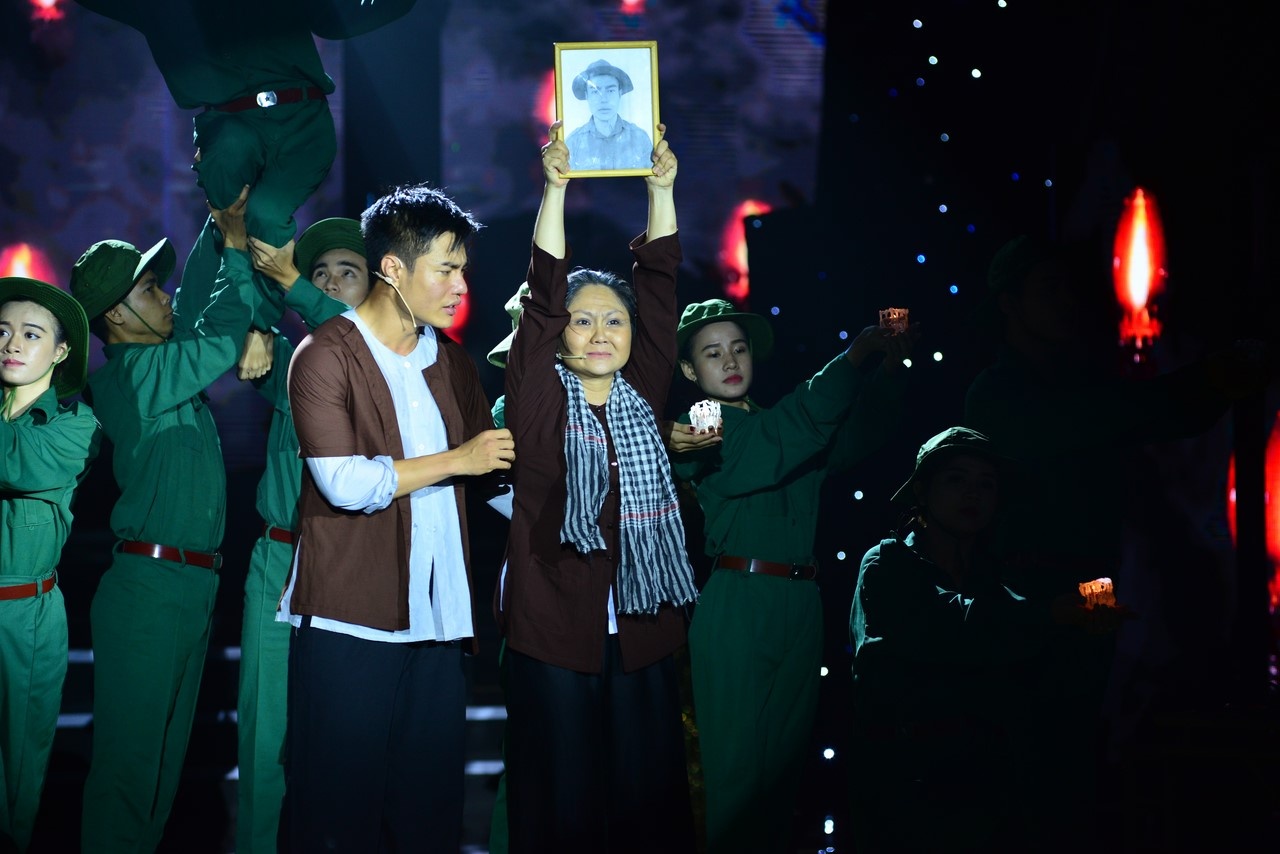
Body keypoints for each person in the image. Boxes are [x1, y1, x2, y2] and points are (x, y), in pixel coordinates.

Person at [961, 233, 1272, 848]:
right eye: (1048, 288)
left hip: (1092, 582)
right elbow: (1114, 415)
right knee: (1036, 760)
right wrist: (1210, 382)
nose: (1065, 300)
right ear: (1009, 302)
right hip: (1025, 593)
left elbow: (1124, 418)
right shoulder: (1000, 396)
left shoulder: (1074, 382)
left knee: (1080, 740)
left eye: (1068, 288)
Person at [277, 182, 513, 852]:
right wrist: (459, 459)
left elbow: (491, 477)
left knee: (427, 818)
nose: (461, 285)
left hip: (438, 621)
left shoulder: (452, 361)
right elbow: (346, 483)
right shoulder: (325, 354)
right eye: (446, 268)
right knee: (334, 819)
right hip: (350, 620)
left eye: (462, 269)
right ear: (392, 268)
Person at [498, 120, 697, 853]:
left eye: (615, 320)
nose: (601, 332)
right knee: (563, 809)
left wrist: (661, 191)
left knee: (648, 809)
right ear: (560, 336)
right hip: (554, 632)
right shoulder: (536, 399)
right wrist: (554, 189)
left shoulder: (644, 392)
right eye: (583, 322)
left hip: (642, 631)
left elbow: (661, 288)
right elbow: (544, 294)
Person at [668, 298, 914, 853]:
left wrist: (891, 367)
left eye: (738, 348)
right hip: (739, 602)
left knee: (780, 785)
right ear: (689, 370)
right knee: (735, 779)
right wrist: (853, 357)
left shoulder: (784, 427)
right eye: (712, 353)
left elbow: (860, 434)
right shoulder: (702, 426)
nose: (730, 360)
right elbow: (780, 436)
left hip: (801, 602)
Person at [69, 190, 255, 850]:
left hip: (189, 587)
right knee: (128, 778)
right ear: (116, 314)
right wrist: (237, 245)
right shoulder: (132, 377)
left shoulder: (164, 368)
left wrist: (217, 227)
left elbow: (200, 304)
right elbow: (224, 330)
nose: (165, 297)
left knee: (160, 780)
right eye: (150, 290)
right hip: (149, 591)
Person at [849, 425, 1126, 852]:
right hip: (908, 792)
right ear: (923, 491)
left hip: (988, 797)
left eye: (986, 484)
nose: (972, 494)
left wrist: (1083, 628)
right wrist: (1048, 616)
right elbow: (946, 625)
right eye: (956, 479)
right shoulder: (887, 563)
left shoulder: (998, 579)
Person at [73, 0, 419, 332]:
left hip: (301, 120)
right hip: (230, 128)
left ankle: (256, 326)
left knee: (264, 215)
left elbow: (337, 19)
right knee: (229, 217)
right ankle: (223, 326)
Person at [219, 217, 370, 854]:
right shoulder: (294, 360)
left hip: (351, 567)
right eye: (319, 273)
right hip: (278, 558)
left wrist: (292, 291)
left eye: (347, 273)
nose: (330, 283)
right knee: (263, 735)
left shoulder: (389, 359)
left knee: (344, 738)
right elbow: (233, 314)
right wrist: (236, 249)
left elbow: (353, 339)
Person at [0, 278, 100, 854]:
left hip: (24, 618)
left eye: (32, 334)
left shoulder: (75, 425)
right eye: (3, 330)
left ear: (60, 352)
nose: (12, 343)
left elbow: (15, 461)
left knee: (16, 776)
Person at [565, 58, 654, 172]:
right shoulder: (573, 143)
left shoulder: (640, 138)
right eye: (595, 91)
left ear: (619, 94)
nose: (603, 99)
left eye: (610, 91)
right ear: (587, 96)